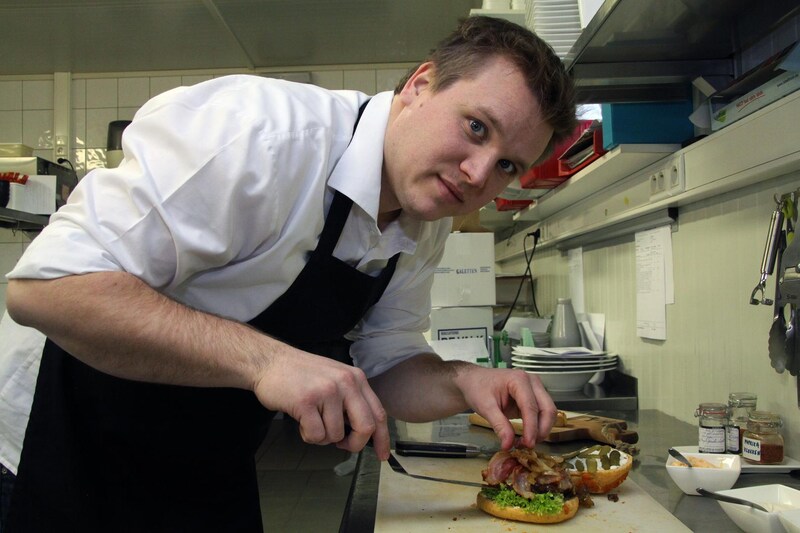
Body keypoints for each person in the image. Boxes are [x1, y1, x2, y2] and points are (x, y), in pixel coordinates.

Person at [0, 15, 577, 532]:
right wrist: (268, 362)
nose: (478, 174)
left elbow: (386, 360)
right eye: (476, 127)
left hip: (206, 454)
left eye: (508, 165)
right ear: (421, 86)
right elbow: (45, 288)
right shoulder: (260, 135)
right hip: (56, 443)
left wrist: (462, 381)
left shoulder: (425, 219)